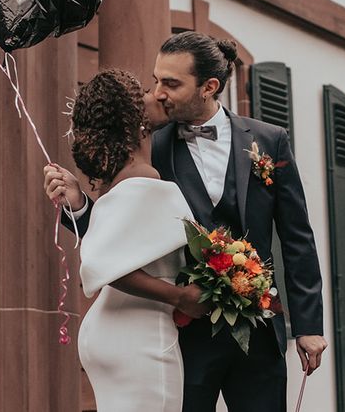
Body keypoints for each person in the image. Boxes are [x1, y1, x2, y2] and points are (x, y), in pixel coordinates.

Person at [46, 32, 326, 412]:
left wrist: (309, 326)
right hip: (185, 334)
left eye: (172, 83)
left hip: (259, 331)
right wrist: (79, 205)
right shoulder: (148, 146)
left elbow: (297, 238)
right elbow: (117, 239)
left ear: (209, 87)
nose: (159, 93)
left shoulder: (269, 141)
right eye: (156, 79)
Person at [44, 69, 209, 412]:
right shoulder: (148, 183)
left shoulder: (118, 184)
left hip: (111, 331)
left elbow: (115, 245)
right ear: (134, 119)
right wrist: (180, 296)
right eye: (147, 92)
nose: (158, 95)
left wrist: (77, 204)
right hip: (142, 335)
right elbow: (99, 263)